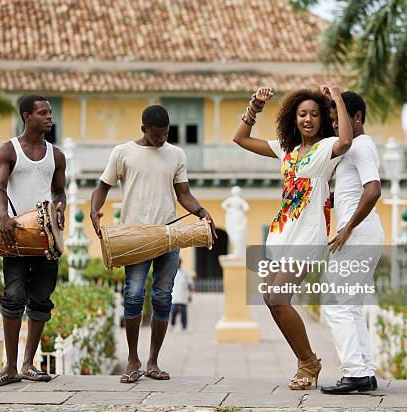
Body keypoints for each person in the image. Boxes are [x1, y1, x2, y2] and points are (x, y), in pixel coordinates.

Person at [233, 86, 353, 390]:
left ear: (322, 118)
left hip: (309, 233)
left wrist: (336, 99)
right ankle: (306, 360)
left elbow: (347, 140)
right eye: (302, 114)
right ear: (293, 118)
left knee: (278, 296)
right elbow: (241, 139)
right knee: (270, 298)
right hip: (281, 232)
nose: (308, 119)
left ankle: (308, 362)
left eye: (314, 114)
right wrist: (255, 106)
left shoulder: (326, 148)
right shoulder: (286, 149)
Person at [90, 105, 216, 384]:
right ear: (144, 129)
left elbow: (184, 193)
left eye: (165, 134)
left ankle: (153, 361)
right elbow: (102, 188)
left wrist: (201, 212)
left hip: (169, 236)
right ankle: (133, 359)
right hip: (134, 236)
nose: (161, 139)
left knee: (162, 297)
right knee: (134, 295)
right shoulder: (122, 153)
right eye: (156, 134)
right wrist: (94, 211)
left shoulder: (176, 154)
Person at [0, 95, 66, 386]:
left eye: (50, 112)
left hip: (48, 239)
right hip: (17, 235)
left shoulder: (56, 155)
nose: (49, 117)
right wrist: (3, 217)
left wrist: (61, 209)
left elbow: (59, 191)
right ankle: (10, 368)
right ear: (26, 116)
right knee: (13, 297)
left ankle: (29, 364)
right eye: (42, 113)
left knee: (41, 301)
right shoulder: (8, 150)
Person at [320, 91, 384, 394]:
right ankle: (366, 372)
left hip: (358, 235)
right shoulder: (354, 148)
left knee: (334, 304)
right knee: (351, 307)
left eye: (338, 119)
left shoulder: (361, 146)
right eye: (332, 120)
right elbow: (357, 190)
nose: (334, 125)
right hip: (363, 234)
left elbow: (373, 190)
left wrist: (346, 228)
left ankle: (355, 372)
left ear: (356, 117)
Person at [170, 258, 194, 331]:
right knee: (173, 312)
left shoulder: (185, 271)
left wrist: (190, 295)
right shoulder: (171, 270)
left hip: (183, 295)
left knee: (184, 313)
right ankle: (172, 325)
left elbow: (190, 283)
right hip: (174, 296)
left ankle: (184, 327)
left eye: (179, 262)